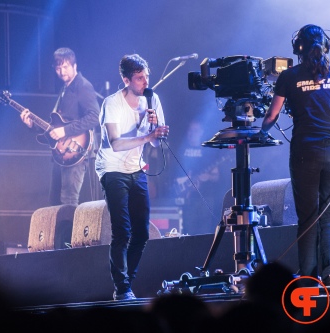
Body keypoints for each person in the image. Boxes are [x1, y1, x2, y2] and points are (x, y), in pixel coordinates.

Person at [258, 24, 330, 286]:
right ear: (326, 46)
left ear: (298, 48)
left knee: (308, 218)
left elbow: (272, 115)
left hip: (305, 153)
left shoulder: (288, 77)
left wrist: (263, 131)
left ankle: (309, 279)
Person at [95, 54, 169, 301]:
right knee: (122, 232)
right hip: (112, 168)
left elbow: (157, 144)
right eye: (139, 78)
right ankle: (123, 288)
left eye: (147, 75)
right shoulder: (112, 103)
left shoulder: (152, 99)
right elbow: (115, 144)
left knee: (142, 233)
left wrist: (157, 131)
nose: (145, 82)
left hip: (136, 168)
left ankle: (127, 282)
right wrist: (148, 136)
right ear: (126, 80)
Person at [20, 47, 100, 206]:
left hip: (76, 151)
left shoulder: (83, 86)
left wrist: (65, 130)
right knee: (55, 202)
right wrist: (32, 126)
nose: (62, 71)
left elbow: (95, 116)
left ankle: (69, 231)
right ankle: (61, 231)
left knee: (68, 201)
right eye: (58, 68)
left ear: (74, 66)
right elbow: (54, 127)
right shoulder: (64, 90)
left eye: (65, 67)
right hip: (61, 153)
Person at [173, 119, 231, 235]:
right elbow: (175, 173)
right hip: (188, 198)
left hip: (205, 199)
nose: (191, 133)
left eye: (195, 130)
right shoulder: (182, 150)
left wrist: (208, 177)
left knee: (203, 231)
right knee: (187, 230)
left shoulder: (207, 151)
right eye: (190, 131)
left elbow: (217, 176)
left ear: (201, 132)